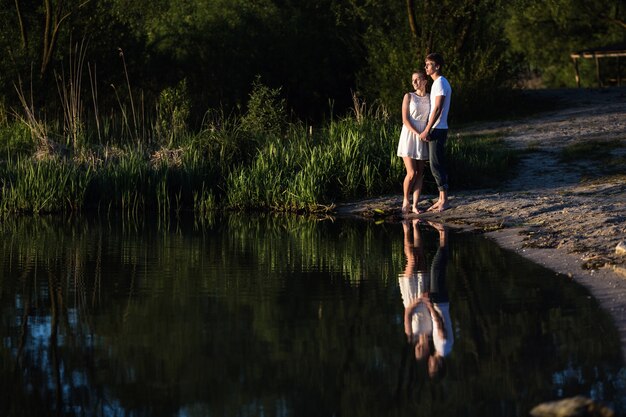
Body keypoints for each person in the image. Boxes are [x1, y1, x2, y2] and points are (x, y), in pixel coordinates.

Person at [419, 53, 452, 212]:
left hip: (438, 128)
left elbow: (438, 108)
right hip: (438, 127)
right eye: (425, 64)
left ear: (437, 66)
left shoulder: (439, 83)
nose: (426, 67)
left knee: (435, 164)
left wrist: (427, 129)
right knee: (435, 163)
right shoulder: (438, 83)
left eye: (429, 64)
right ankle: (441, 199)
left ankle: (444, 200)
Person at [397, 71, 430, 214]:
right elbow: (405, 119)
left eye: (418, 79)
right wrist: (418, 134)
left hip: (424, 133)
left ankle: (415, 205)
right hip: (410, 134)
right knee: (411, 172)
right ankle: (405, 200)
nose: (415, 82)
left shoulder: (430, 98)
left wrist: (427, 132)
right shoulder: (409, 96)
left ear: (425, 81)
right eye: (413, 80)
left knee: (420, 173)